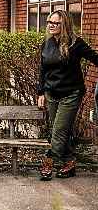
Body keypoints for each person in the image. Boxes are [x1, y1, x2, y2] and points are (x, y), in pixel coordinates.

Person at [38, 10, 98, 181]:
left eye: (55, 23)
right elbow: (42, 70)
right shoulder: (47, 44)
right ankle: (69, 162)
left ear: (63, 25)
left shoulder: (76, 44)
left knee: (58, 131)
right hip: (52, 94)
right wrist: (41, 92)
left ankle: (47, 161)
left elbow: (94, 58)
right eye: (49, 21)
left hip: (71, 94)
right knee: (58, 131)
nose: (50, 25)